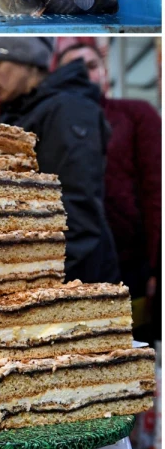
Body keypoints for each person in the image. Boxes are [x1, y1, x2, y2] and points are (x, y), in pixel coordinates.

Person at [0, 37, 119, 284]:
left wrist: (48, 286)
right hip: (34, 268)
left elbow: (75, 213)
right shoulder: (21, 112)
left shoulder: (67, 110)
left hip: (69, 280)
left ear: (27, 63)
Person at [56, 40, 160, 340]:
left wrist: (157, 268)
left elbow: (157, 193)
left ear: (104, 72)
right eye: (73, 68)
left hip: (131, 265)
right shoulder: (50, 123)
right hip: (72, 267)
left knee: (130, 347)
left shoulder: (135, 114)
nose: (83, 74)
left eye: (90, 65)